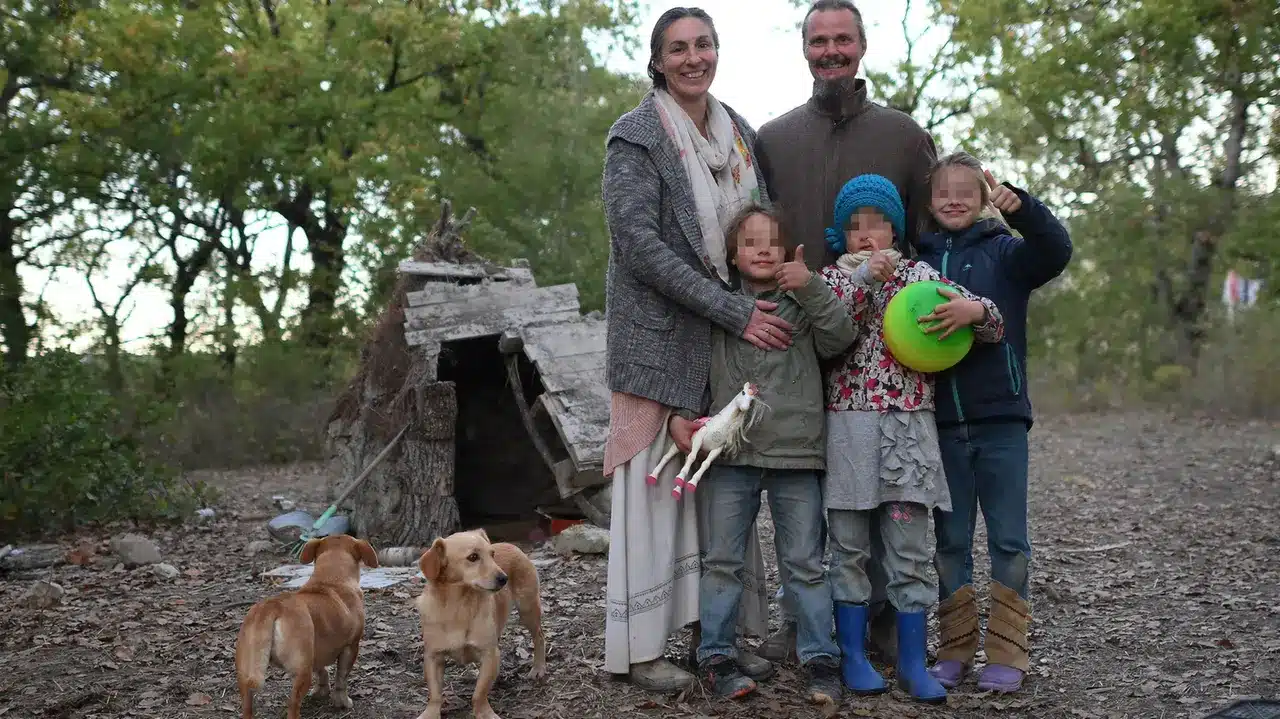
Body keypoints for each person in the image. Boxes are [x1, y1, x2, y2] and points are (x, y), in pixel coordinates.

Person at [600, 6, 792, 692]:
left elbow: (756, 229)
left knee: (720, 489)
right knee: (655, 493)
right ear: (657, 60)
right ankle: (641, 648)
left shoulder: (735, 131)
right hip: (655, 340)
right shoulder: (637, 134)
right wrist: (733, 310)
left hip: (721, 338)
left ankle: (722, 637)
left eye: (703, 44)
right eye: (677, 48)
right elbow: (640, 247)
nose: (692, 58)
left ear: (718, 51)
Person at [752, 0, 938, 663]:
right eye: (818, 40)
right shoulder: (772, 139)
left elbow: (931, 242)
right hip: (794, 343)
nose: (831, 50)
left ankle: (886, 624)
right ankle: (807, 621)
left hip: (884, 356)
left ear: (862, 47)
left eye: (842, 39)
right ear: (804, 49)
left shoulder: (904, 137)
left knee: (886, 492)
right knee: (806, 491)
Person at [818, 173, 1005, 703]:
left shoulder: (920, 276)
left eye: (878, 224)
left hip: (908, 429)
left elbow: (990, 324)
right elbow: (831, 336)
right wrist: (864, 283)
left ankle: (910, 662)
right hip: (849, 429)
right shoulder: (830, 282)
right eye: (855, 227)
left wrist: (976, 311)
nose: (867, 235)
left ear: (896, 231)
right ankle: (853, 657)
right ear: (843, 236)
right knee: (849, 547)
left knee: (908, 548)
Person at [914, 152, 1072, 693]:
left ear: (983, 199)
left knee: (1008, 540)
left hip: (1001, 418)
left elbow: (1056, 251)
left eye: (966, 191)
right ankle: (955, 648)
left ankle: (1008, 651)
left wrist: (1023, 209)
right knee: (950, 540)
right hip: (939, 423)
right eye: (943, 193)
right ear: (930, 203)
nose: (954, 200)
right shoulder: (918, 260)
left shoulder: (1006, 253)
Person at [695, 204, 852, 702]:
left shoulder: (802, 303)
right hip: (731, 453)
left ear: (787, 252)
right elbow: (694, 368)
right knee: (722, 561)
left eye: (771, 242)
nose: (762, 250)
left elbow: (841, 336)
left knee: (805, 561)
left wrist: (808, 285)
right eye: (749, 243)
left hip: (797, 454)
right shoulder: (717, 308)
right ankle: (717, 657)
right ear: (734, 258)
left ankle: (820, 658)